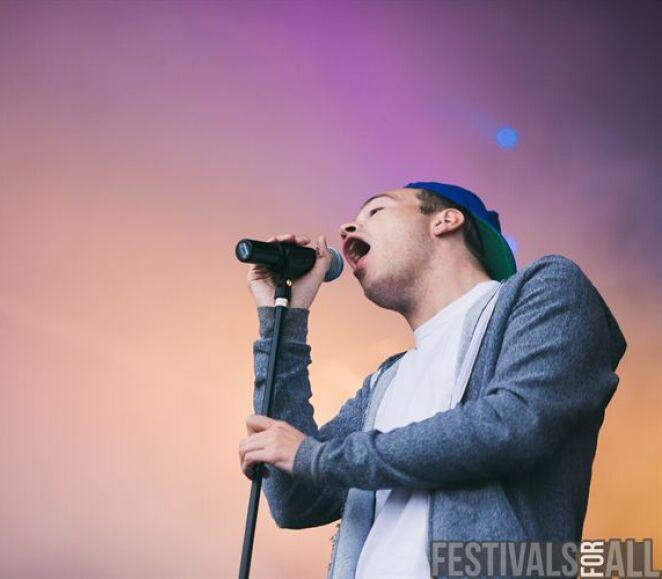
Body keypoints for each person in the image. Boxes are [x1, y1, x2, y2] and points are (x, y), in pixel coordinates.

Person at [238, 181, 627, 578]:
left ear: (446, 220)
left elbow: (512, 425)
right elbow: (296, 499)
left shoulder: (546, 289)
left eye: (376, 211)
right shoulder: (386, 381)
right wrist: (282, 324)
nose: (346, 230)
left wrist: (316, 456)